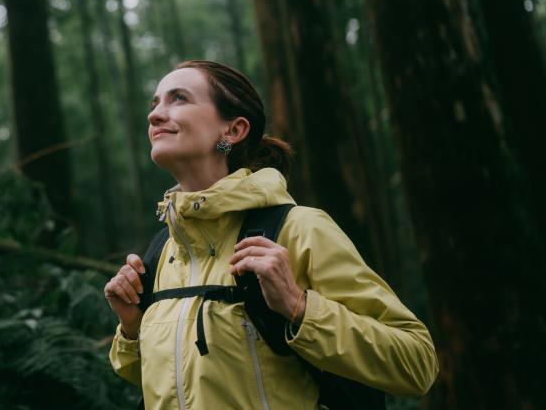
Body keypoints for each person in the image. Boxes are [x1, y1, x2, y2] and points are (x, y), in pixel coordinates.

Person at [104, 60, 437, 409]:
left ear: (233, 130)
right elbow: (170, 378)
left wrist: (299, 308)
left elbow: (417, 364)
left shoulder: (300, 230)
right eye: (155, 103)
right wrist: (131, 326)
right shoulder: (162, 253)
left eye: (179, 99)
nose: (155, 115)